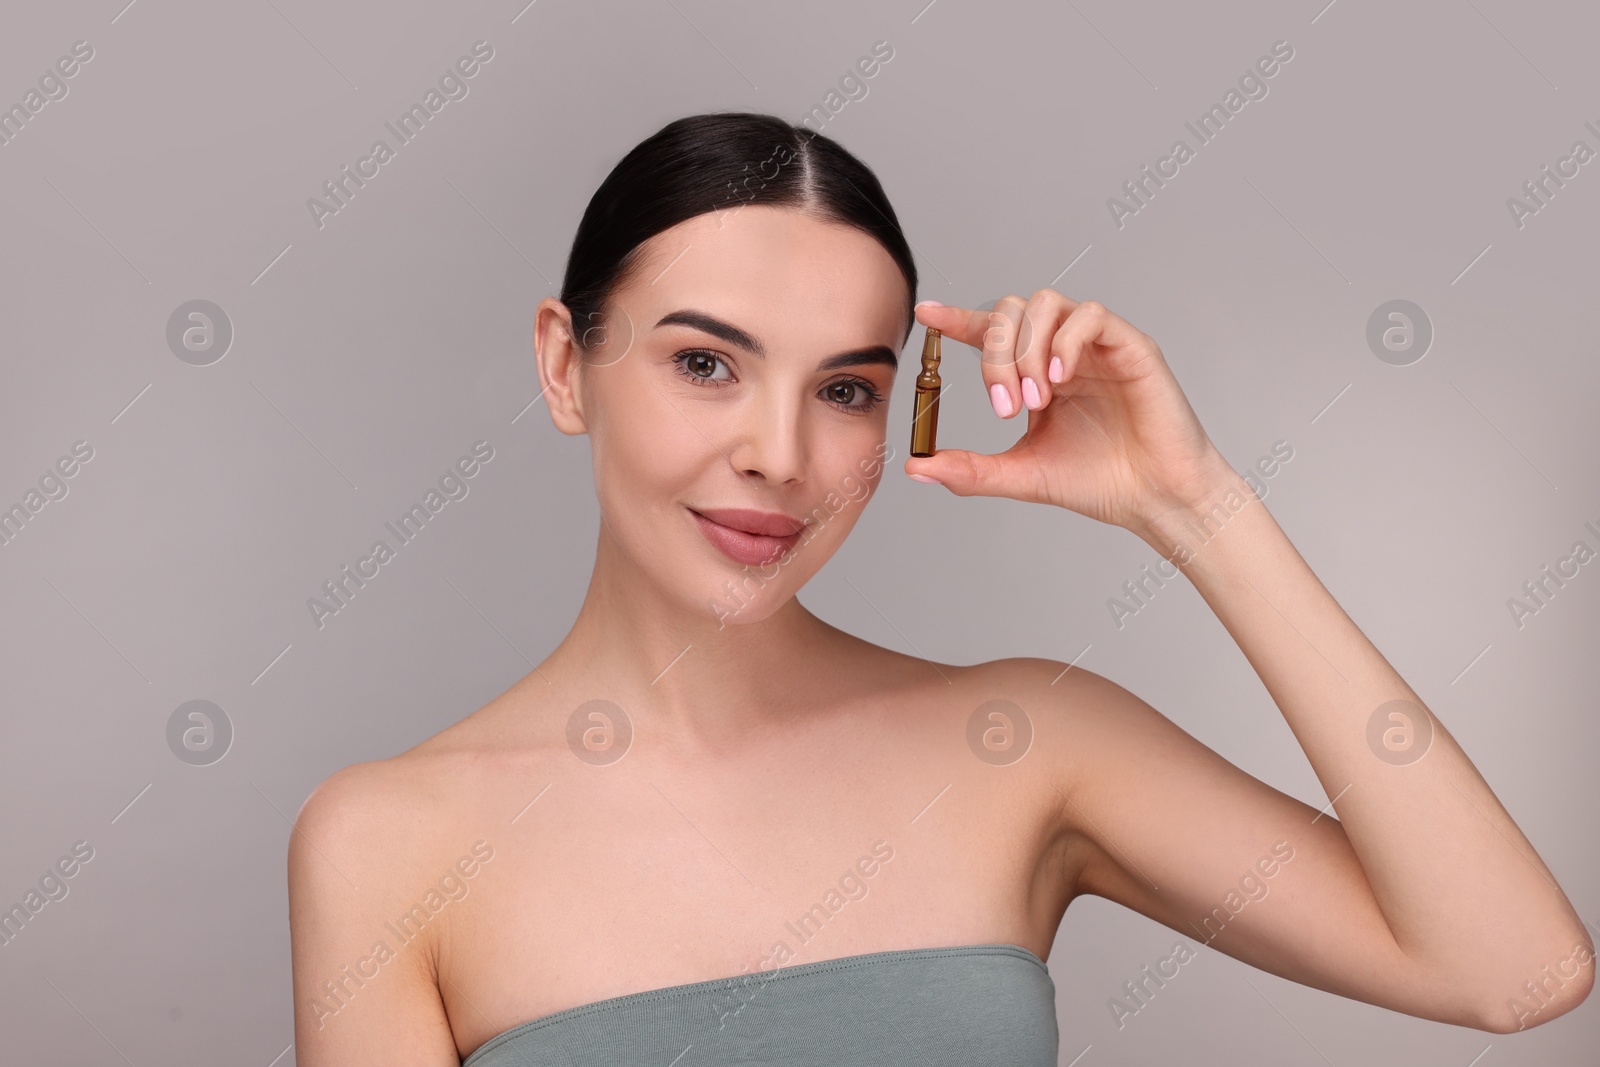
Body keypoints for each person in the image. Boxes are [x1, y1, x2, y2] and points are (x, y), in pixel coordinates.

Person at [287, 112, 1593, 1065]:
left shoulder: (1029, 746)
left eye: (846, 389)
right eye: (705, 365)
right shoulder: (388, 846)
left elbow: (1515, 970)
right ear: (566, 367)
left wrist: (1191, 504)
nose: (778, 455)